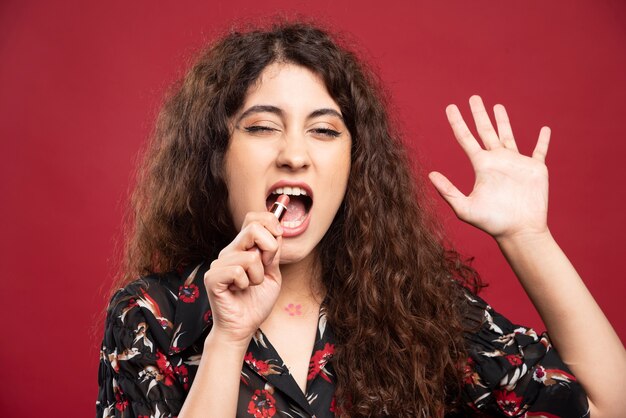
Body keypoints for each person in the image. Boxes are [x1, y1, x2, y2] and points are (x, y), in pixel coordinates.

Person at [96, 21, 625, 417]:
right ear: (215, 158)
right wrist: (228, 340)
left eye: (324, 131)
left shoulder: (417, 311)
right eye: (262, 127)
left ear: (355, 164)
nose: (295, 155)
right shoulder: (150, 318)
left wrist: (528, 237)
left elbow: (609, 407)